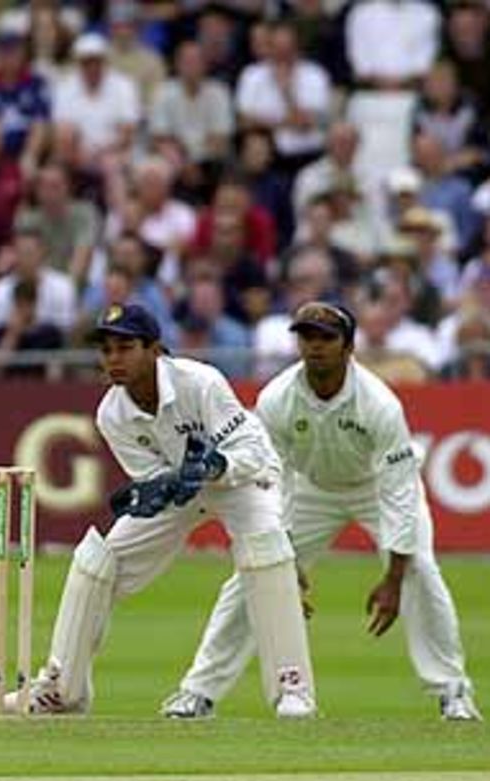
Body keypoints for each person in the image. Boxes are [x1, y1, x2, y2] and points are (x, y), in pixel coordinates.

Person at [164, 302, 481, 722]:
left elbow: (401, 489)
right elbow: (269, 477)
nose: (315, 347)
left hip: (376, 488)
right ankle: (198, 692)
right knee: (254, 576)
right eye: (307, 337)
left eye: (326, 338)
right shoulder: (277, 398)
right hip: (310, 490)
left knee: (421, 571)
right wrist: (281, 554)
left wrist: (393, 578)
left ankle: (453, 691)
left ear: (348, 346)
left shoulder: (379, 404)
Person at [8, 303, 316, 719]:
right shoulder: (112, 413)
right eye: (107, 350)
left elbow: (253, 451)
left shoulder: (200, 382)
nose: (113, 359)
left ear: (154, 350)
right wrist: (156, 490)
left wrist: (214, 465)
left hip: (244, 480)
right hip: (184, 487)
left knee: (264, 550)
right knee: (99, 560)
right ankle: (63, 690)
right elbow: (153, 475)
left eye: (125, 347)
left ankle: (292, 688)